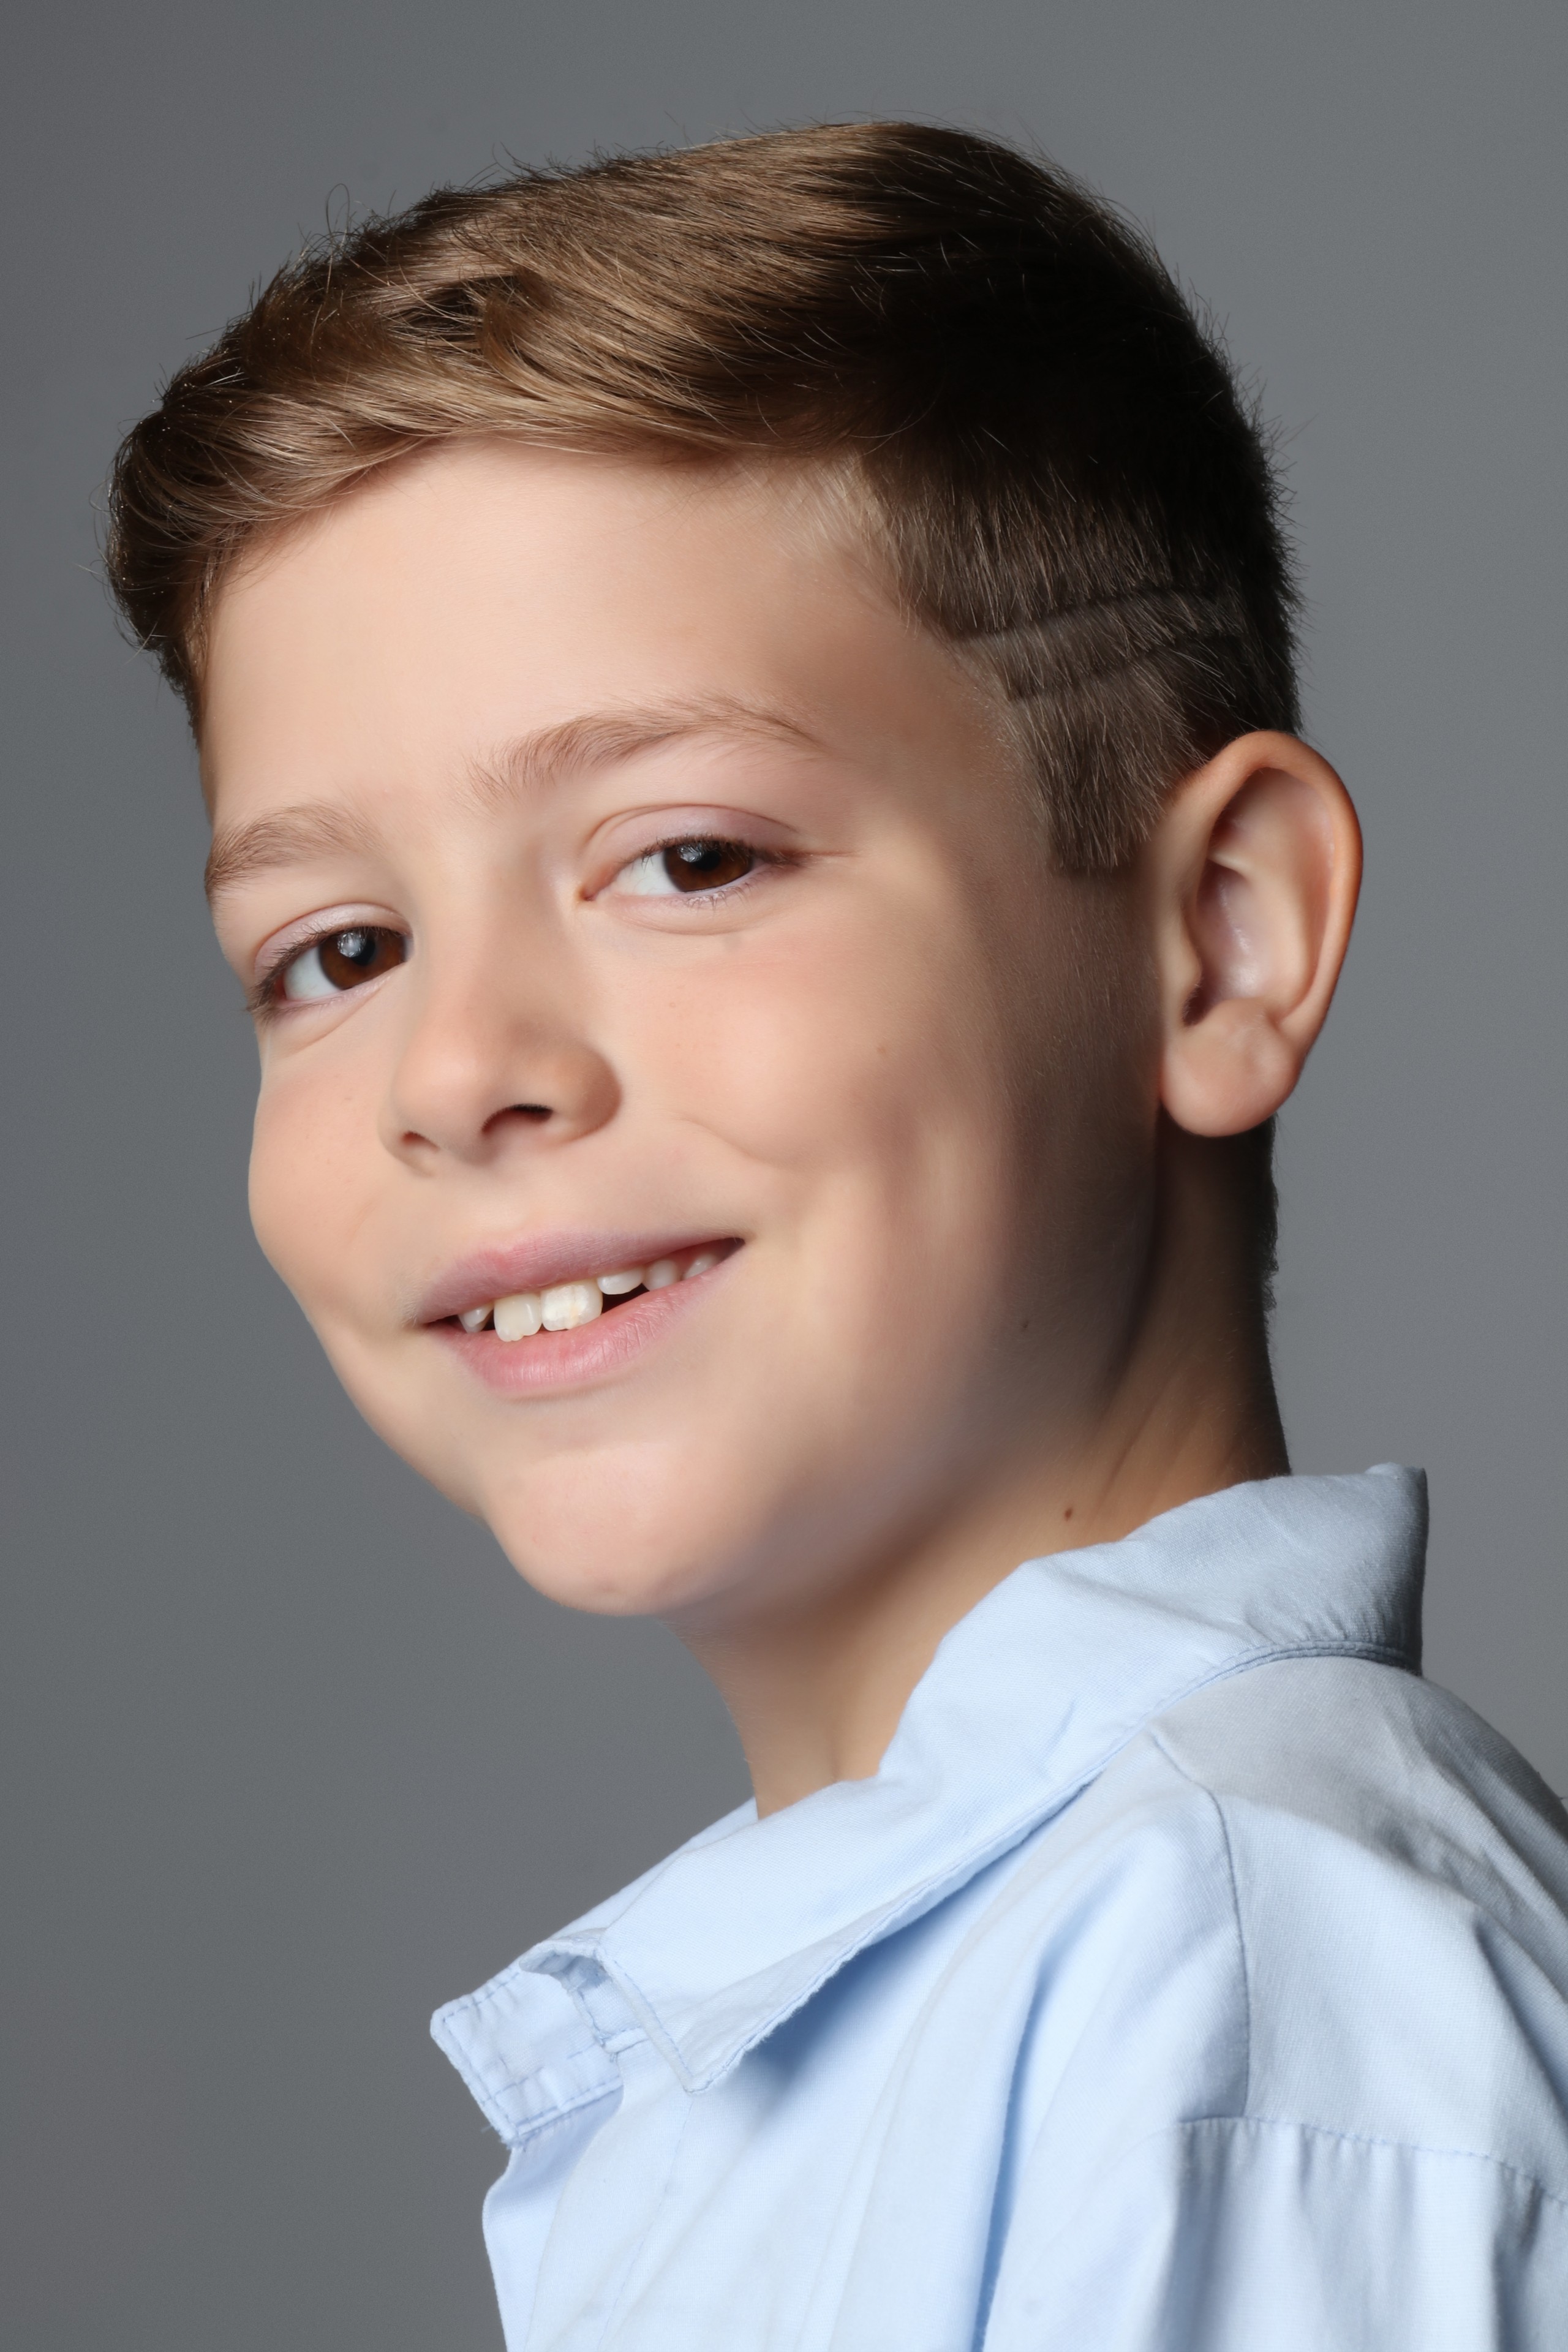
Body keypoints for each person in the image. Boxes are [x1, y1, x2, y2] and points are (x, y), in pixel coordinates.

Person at [105, 123, 1568, 2348]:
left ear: (1218, 936)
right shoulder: (983, 1991)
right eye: (340, 950)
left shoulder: (1231, 1994)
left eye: (688, 859)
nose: (454, 1066)